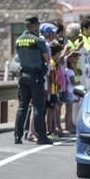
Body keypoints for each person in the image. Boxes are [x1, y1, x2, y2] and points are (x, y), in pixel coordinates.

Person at [14, 15, 52, 145]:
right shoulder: (38, 41)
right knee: (38, 107)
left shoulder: (18, 40)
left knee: (22, 107)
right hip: (35, 77)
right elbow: (47, 59)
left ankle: (17, 136)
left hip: (23, 76)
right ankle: (42, 137)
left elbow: (18, 58)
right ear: (35, 25)